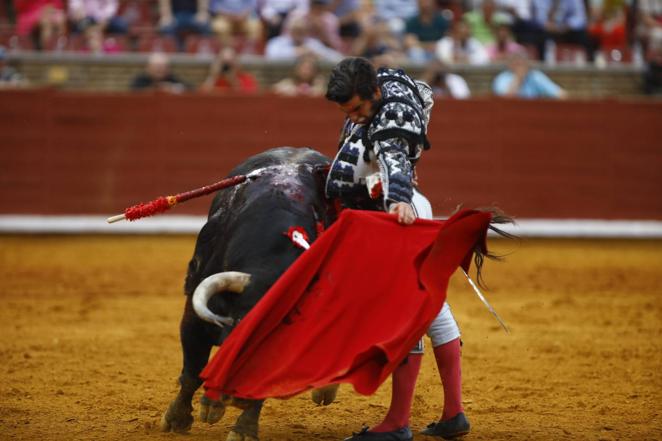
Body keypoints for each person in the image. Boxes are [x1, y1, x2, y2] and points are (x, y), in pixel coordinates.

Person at [324, 56, 470, 441]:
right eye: (346, 111)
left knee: (403, 314)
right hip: (398, 212)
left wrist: (398, 200)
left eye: (357, 109)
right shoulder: (384, 80)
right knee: (433, 310)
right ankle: (454, 413)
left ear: (373, 93)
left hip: (395, 215)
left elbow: (395, 160)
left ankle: (397, 423)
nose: (353, 117)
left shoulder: (391, 121)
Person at [493, 50, 568, 98]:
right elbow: (506, 99)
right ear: (509, 65)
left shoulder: (535, 76)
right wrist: (519, 78)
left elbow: (560, 94)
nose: (520, 65)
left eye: (522, 62)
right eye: (516, 62)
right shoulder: (502, 78)